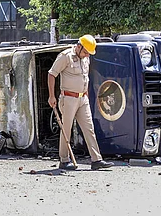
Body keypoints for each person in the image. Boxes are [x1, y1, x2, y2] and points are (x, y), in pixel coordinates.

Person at [48, 34, 114, 170]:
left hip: (83, 99)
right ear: (78, 46)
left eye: (89, 53)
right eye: (85, 52)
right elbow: (51, 74)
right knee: (66, 129)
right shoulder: (65, 56)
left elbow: (85, 79)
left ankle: (96, 160)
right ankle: (64, 160)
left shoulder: (85, 58)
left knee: (89, 128)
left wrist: (87, 96)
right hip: (68, 98)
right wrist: (51, 96)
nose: (87, 55)